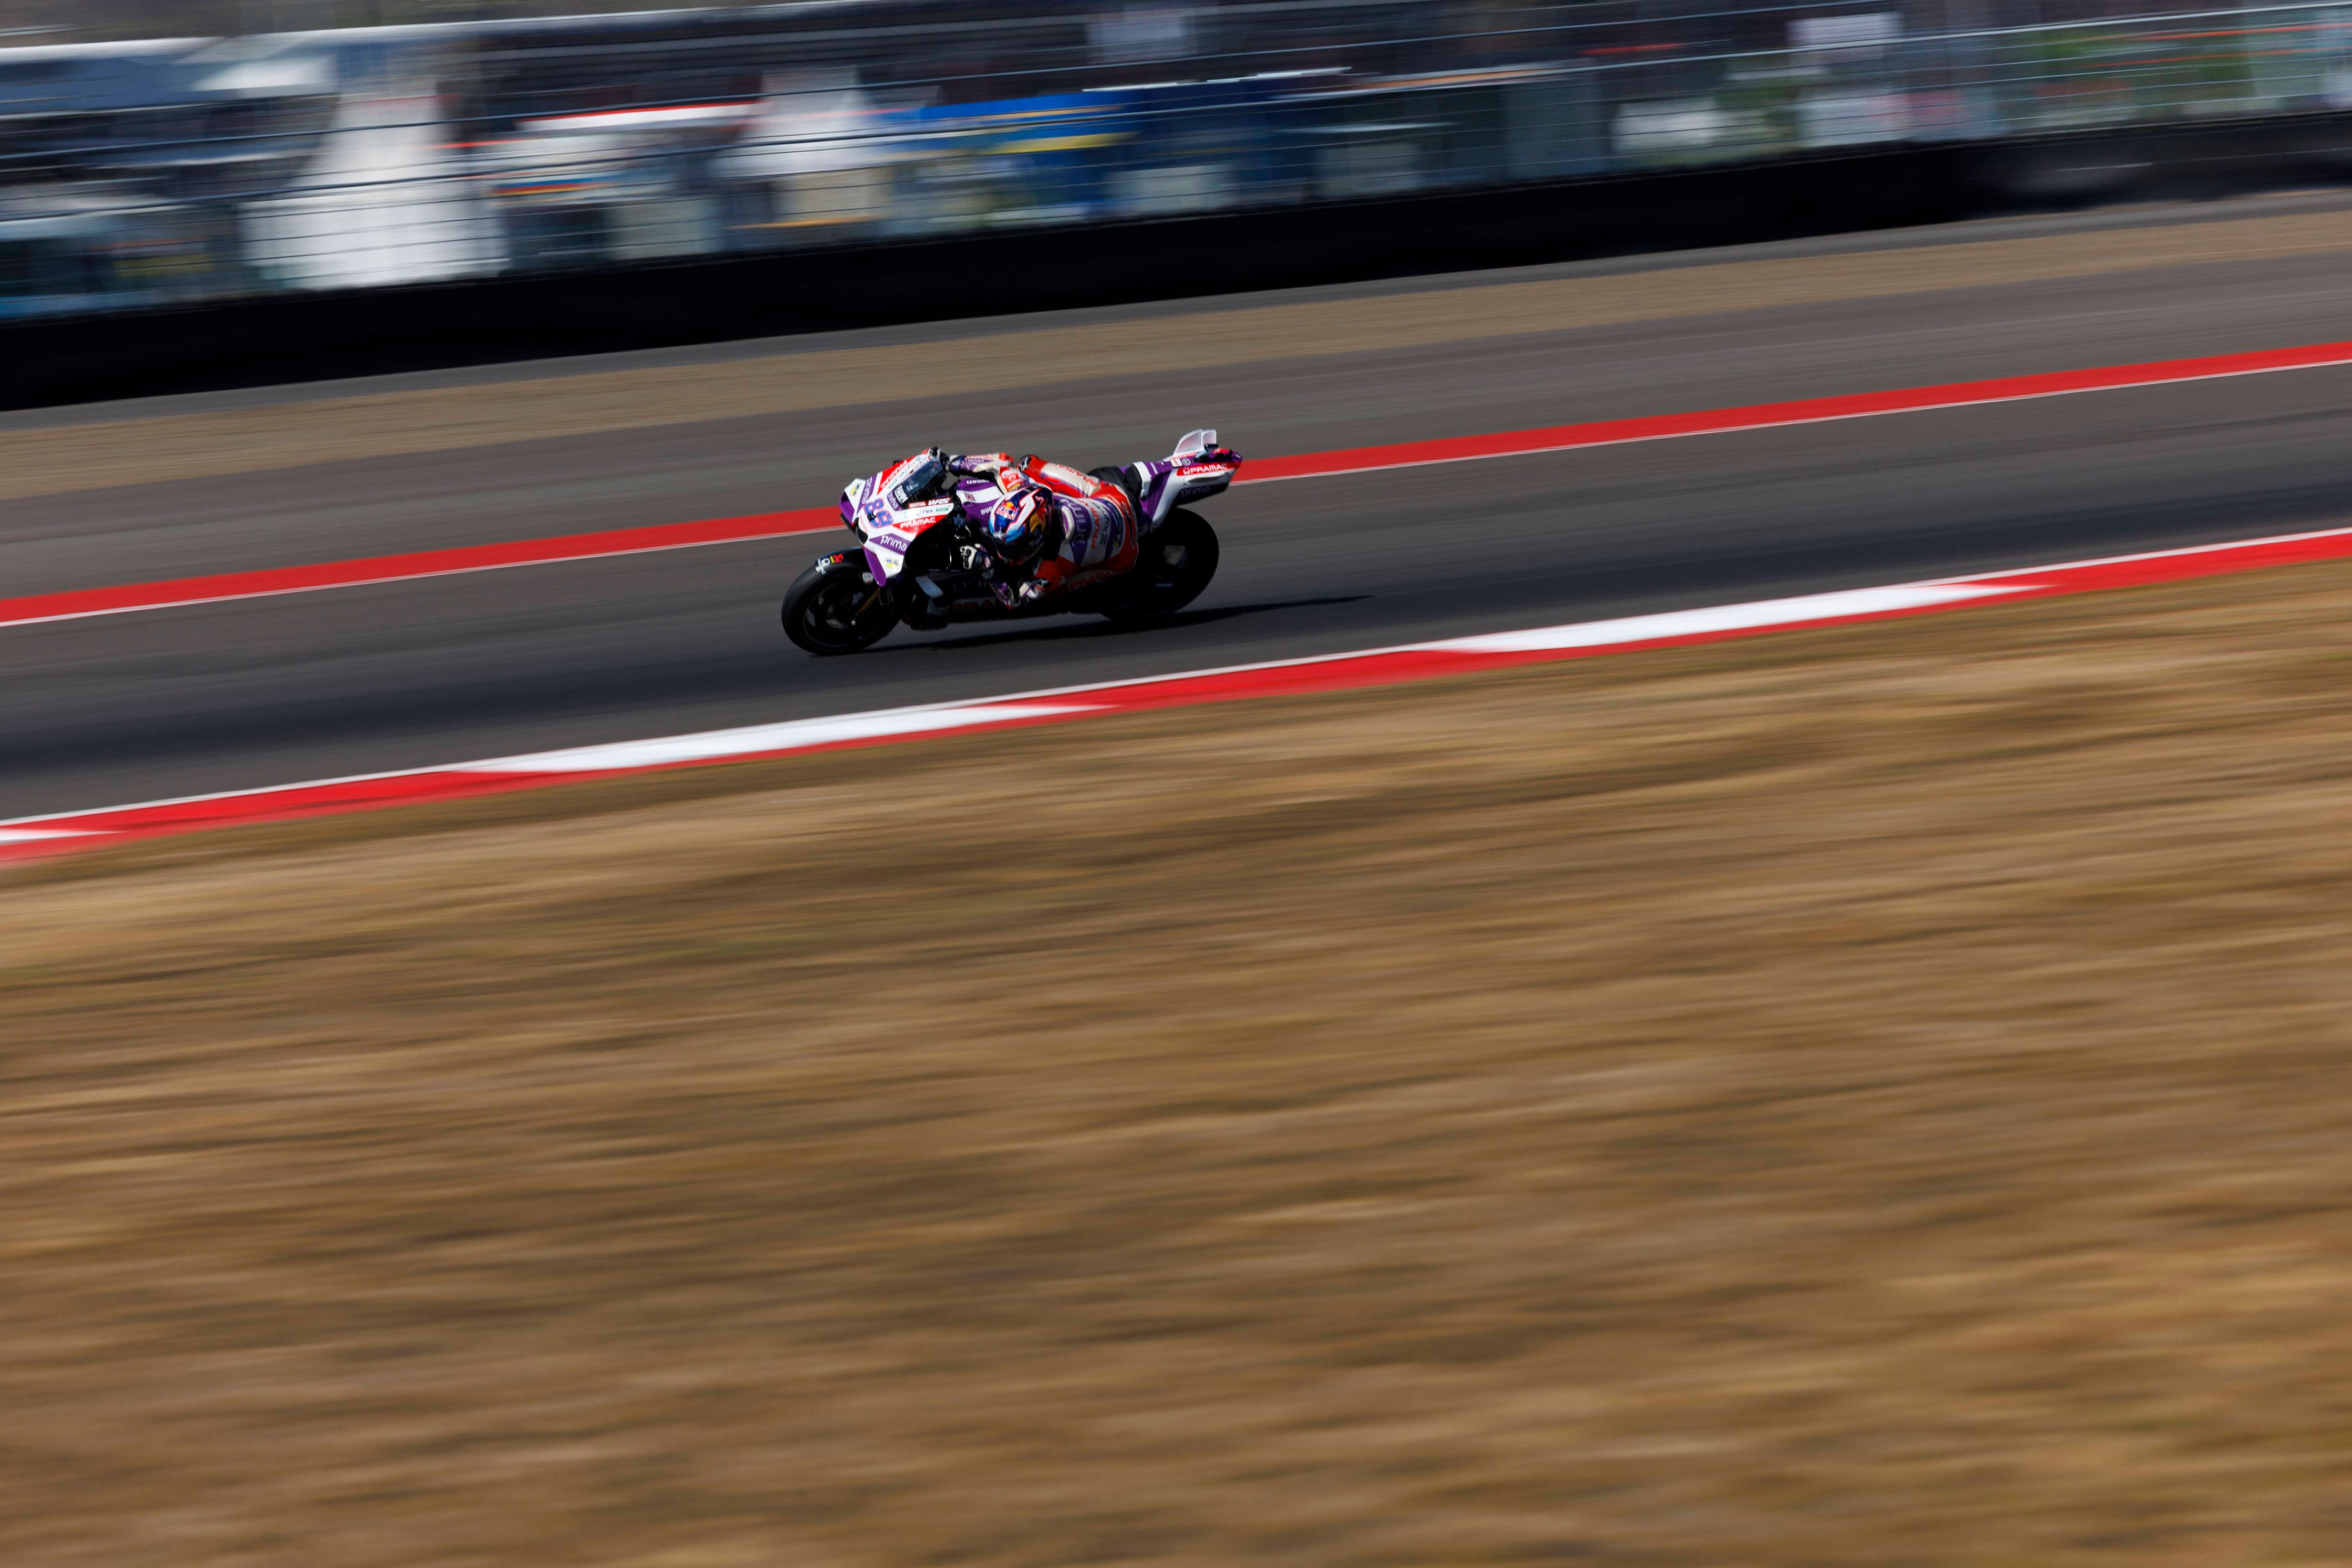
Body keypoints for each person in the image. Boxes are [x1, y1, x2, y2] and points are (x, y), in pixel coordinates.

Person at [946, 451, 1141, 608]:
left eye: (1015, 547)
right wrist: (953, 462)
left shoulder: (1050, 569)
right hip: (1112, 497)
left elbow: (1015, 601)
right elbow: (1001, 462)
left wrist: (989, 570)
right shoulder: (1020, 487)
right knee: (1028, 464)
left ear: (1037, 539)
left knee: (1058, 596)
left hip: (1124, 556)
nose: (1004, 553)